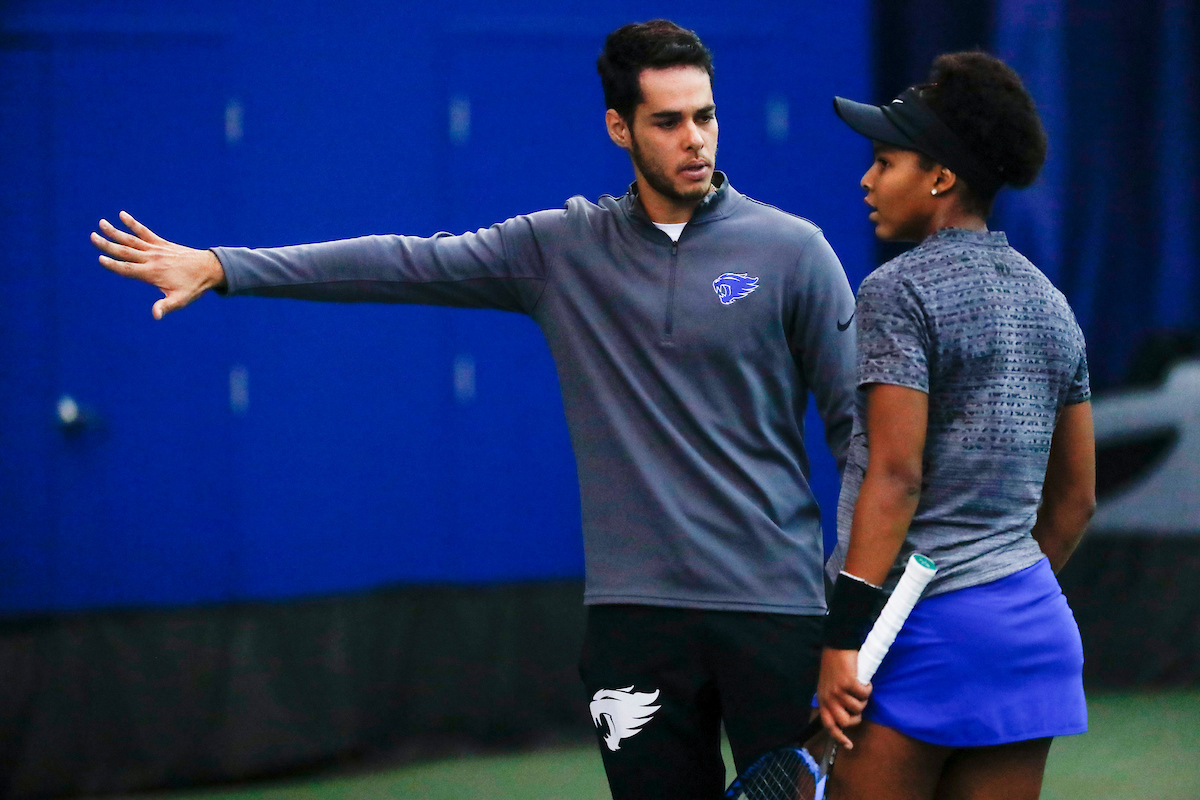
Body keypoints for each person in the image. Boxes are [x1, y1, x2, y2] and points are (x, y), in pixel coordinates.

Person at [92, 20, 857, 799]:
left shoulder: (794, 252)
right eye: (668, 121)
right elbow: (401, 263)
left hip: (779, 613)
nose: (695, 138)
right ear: (619, 127)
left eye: (706, 115)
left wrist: (848, 594)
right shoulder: (560, 248)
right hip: (634, 622)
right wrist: (224, 266)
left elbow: (862, 435)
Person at [815, 51, 1096, 800]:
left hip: (920, 637)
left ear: (940, 177)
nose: (867, 180)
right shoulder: (1053, 304)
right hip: (1030, 630)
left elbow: (896, 476)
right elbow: (1075, 502)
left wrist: (844, 638)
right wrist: (995, 601)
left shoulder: (895, 290)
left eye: (885, 162)